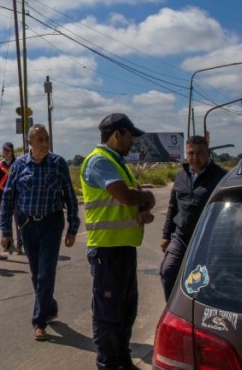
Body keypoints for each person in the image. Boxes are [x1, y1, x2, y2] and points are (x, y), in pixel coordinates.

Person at [80, 113, 156, 370]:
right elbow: (123, 195)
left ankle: (122, 359)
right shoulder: (99, 161)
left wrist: (141, 208)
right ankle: (108, 364)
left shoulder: (116, 161)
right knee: (109, 315)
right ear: (116, 134)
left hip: (122, 248)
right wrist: (145, 196)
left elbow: (127, 201)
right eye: (129, 135)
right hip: (107, 249)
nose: (132, 141)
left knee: (125, 311)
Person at [0, 125, 79, 341]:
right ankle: (50, 306)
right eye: (40, 140)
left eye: (47, 139)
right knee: (36, 274)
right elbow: (7, 198)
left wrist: (73, 226)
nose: (45, 144)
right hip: (27, 225)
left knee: (46, 274)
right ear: (30, 143)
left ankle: (39, 321)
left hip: (52, 224)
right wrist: (5, 230)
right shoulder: (18, 165)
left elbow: (70, 196)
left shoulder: (58, 163)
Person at [159, 135, 226, 301]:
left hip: (208, 239)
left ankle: (194, 312)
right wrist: (166, 235)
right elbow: (173, 206)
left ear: (209, 153)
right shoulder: (181, 176)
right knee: (168, 271)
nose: (195, 158)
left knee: (200, 281)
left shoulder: (220, 177)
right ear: (186, 154)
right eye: (191, 153)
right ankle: (173, 309)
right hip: (181, 236)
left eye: (200, 153)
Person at [0, 141, 23, 254]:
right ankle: (9, 244)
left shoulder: (17, 163)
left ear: (12, 152)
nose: (6, 152)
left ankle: (20, 243)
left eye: (8, 150)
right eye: (4, 150)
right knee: (6, 220)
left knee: (18, 221)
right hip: (3, 196)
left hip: (16, 195)